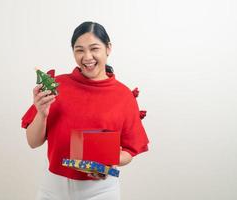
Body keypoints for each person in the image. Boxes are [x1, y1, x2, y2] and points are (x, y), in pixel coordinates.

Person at [21, 21, 149, 200]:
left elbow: (129, 151)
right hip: (52, 187)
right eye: (79, 50)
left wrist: (106, 159)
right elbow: (33, 142)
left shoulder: (123, 96)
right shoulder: (58, 86)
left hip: (101, 190)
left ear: (108, 48)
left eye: (94, 48)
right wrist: (41, 113)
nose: (87, 57)